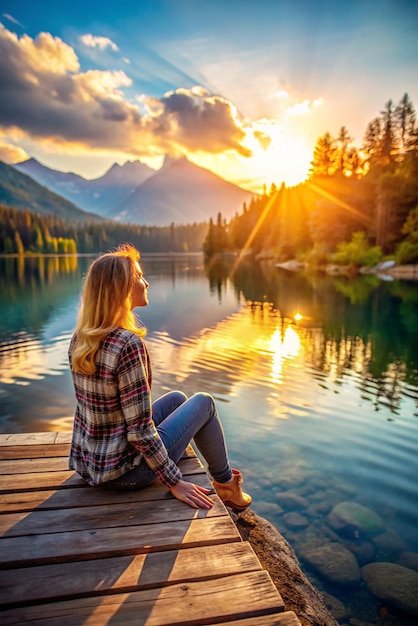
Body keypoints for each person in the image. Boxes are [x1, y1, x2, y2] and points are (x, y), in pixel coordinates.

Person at [68, 243, 251, 511]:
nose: (146, 282)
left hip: (93, 465)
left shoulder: (81, 338)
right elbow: (141, 432)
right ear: (122, 289)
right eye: (139, 277)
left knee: (178, 398)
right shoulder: (127, 345)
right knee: (205, 403)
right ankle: (226, 485)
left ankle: (224, 482)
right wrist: (174, 481)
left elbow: (89, 413)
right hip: (127, 474)